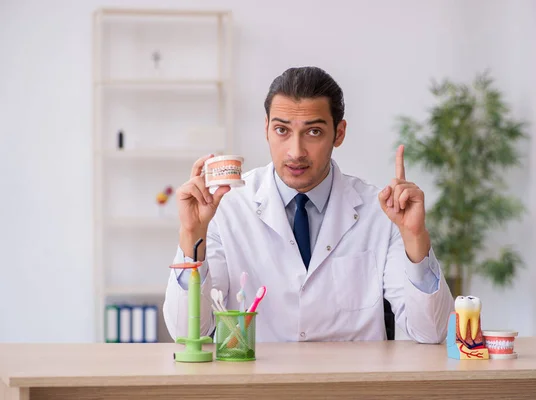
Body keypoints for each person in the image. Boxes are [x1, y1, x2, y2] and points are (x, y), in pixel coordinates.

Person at [163, 66, 454, 343]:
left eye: (313, 132)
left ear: (338, 133)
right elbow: (188, 333)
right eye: (282, 130)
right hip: (257, 388)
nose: (295, 151)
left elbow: (430, 332)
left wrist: (415, 237)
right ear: (266, 129)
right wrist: (192, 234)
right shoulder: (226, 207)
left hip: (352, 388)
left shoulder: (381, 211)